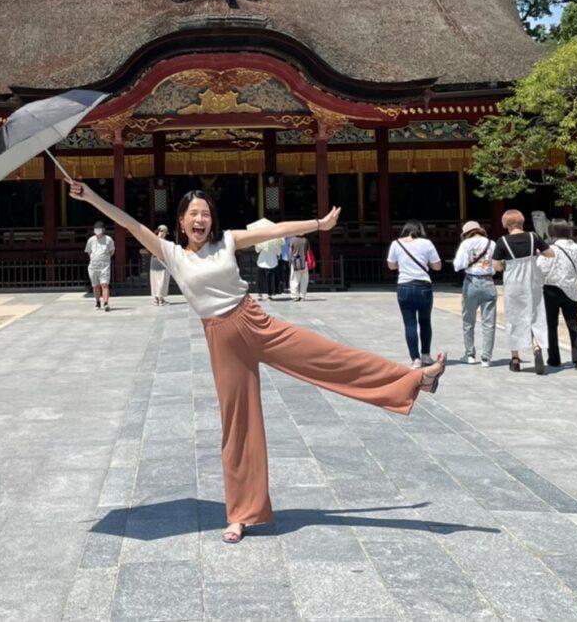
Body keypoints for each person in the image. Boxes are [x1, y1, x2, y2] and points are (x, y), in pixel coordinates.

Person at [69, 182, 445, 545]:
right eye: (192, 214)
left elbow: (277, 229)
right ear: (181, 220)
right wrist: (91, 198)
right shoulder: (171, 253)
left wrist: (318, 224)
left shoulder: (227, 242)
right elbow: (129, 223)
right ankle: (240, 513)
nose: (200, 220)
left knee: (328, 356)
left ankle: (415, 380)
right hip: (222, 339)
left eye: (205, 214)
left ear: (211, 220)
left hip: (254, 321)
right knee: (239, 426)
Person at [490, 209, 555, 374]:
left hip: (513, 284)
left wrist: (507, 264)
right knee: (535, 315)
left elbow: (496, 266)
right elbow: (550, 253)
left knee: (514, 318)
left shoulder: (502, 241)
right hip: (533, 282)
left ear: (507, 224)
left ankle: (515, 358)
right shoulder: (534, 237)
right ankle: (536, 347)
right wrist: (537, 253)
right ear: (521, 221)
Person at [386, 220, 443, 368]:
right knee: (425, 322)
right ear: (420, 230)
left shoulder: (396, 244)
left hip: (404, 285)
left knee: (409, 323)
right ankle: (425, 355)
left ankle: (415, 359)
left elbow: (391, 265)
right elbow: (437, 266)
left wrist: (403, 264)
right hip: (423, 285)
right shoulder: (426, 243)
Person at [538, 219, 577, 370]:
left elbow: (541, 268)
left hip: (551, 288)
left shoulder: (550, 248)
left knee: (551, 324)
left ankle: (554, 358)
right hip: (572, 289)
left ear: (552, 232)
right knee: (573, 323)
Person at [452, 221, 496, 365]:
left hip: (472, 281)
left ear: (466, 233)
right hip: (489, 281)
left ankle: (470, 354)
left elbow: (459, 265)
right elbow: (496, 266)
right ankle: (486, 358)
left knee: (468, 320)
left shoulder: (466, 244)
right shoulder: (492, 244)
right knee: (488, 322)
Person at [84, 221, 115, 311]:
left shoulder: (108, 239)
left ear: (103, 230)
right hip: (93, 265)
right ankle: (97, 302)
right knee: (95, 285)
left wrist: (104, 258)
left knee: (104, 284)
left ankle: (106, 303)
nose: (97, 231)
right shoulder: (91, 240)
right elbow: (89, 251)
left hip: (104, 265)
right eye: (96, 229)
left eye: (99, 229)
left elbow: (112, 251)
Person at [148, 224, 172, 305]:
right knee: (155, 280)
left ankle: (160, 297)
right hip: (156, 260)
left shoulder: (166, 242)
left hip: (163, 261)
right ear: (158, 231)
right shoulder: (154, 240)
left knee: (162, 280)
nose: (162, 233)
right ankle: (157, 298)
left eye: (164, 232)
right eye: (161, 231)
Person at [254, 231, 281, 300]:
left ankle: (260, 294)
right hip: (272, 262)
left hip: (262, 262)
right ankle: (269, 295)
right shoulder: (276, 241)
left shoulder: (261, 240)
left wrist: (256, 243)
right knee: (270, 279)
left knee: (260, 279)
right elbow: (279, 252)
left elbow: (257, 250)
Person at [287, 233, 310, 301]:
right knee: (304, 279)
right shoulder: (306, 240)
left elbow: (290, 251)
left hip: (295, 262)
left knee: (294, 279)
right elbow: (308, 250)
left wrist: (289, 261)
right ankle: (302, 296)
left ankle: (294, 296)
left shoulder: (292, 240)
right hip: (304, 261)